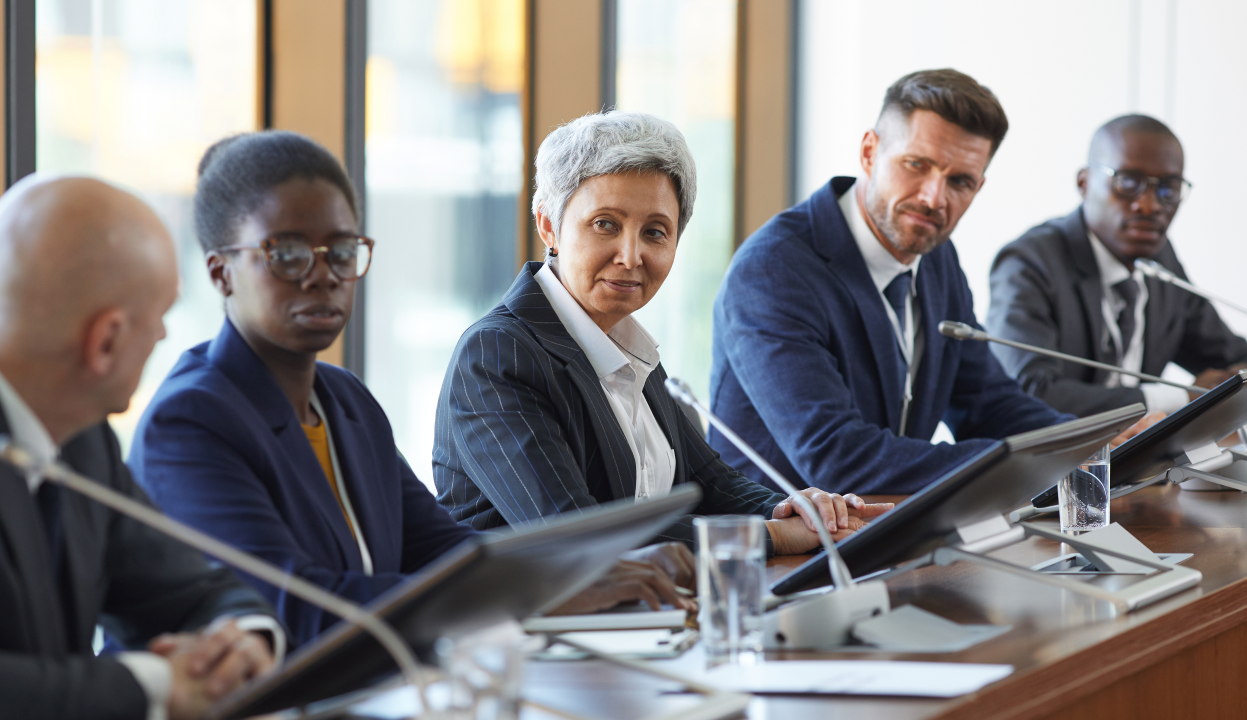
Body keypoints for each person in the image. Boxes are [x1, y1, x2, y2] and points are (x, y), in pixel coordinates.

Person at [128, 131, 696, 648]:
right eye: (289, 253)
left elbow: (445, 553)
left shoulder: (346, 402)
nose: (323, 273)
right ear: (220, 272)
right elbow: (296, 611)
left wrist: (573, 575)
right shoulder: (190, 420)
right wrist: (542, 593)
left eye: (342, 252)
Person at [434, 111, 893, 556]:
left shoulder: (626, 343)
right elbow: (575, 532)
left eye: (655, 232)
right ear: (548, 224)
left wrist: (793, 509)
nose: (631, 256)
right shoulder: (498, 353)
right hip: (528, 625)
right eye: (605, 225)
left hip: (644, 617)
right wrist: (770, 538)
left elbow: (708, 479)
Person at [709, 69, 1156, 497]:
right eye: (916, 165)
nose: (933, 198)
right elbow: (836, 456)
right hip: (784, 555)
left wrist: (1086, 442)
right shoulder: (772, 269)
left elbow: (986, 402)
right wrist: (1032, 460)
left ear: (978, 187)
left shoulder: (935, 254)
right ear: (869, 152)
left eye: (959, 181)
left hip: (891, 533)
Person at [0, 176, 279, 720]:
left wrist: (240, 643)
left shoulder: (84, 440)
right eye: (159, 324)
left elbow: (192, 588)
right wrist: (156, 682)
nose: (162, 338)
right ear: (106, 342)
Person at [987, 115, 1247, 416]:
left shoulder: (1160, 260)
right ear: (1084, 183)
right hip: (1064, 461)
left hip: (1143, 459)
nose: (1149, 206)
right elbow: (1030, 391)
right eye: (1127, 182)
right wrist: (1179, 398)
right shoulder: (1030, 262)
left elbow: (1231, 356)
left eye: (1169, 189)